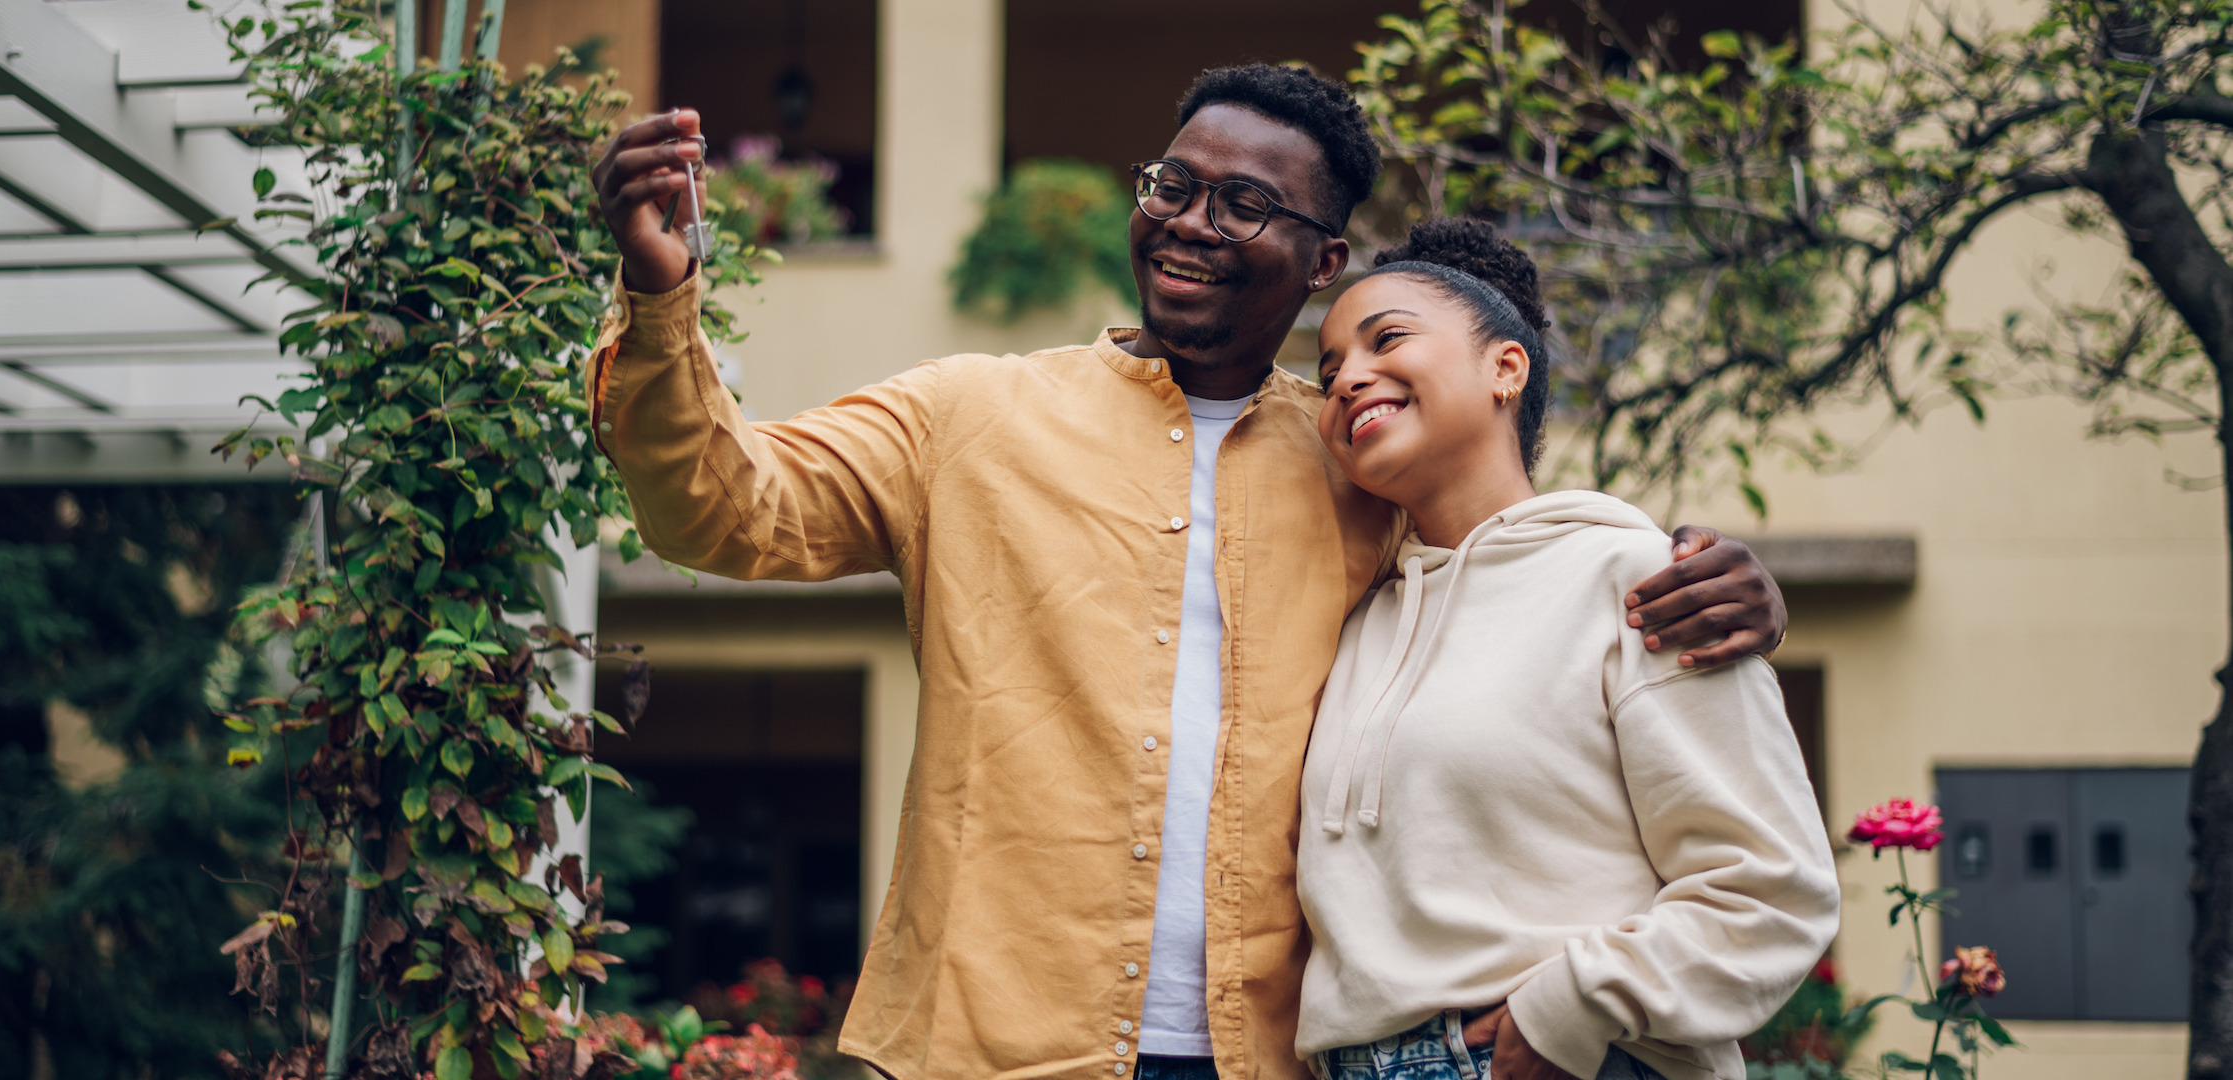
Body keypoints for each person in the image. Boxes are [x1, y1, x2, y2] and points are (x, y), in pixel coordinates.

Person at [583, 64, 1790, 1080]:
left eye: (1243, 203)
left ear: (1321, 262)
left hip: (1269, 1055)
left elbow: (1515, 585)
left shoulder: (1360, 463)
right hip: (991, 1048)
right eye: (1171, 186)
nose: (1189, 221)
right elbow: (720, 512)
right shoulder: (966, 417)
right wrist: (658, 295)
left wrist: (1712, 581)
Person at [1295, 219, 1839, 1080]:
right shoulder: (1356, 622)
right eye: (1327, 374)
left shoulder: (1635, 579)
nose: (1348, 377)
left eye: (1386, 339)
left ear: (1506, 368)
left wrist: (1568, 1011)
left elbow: (1769, 885)